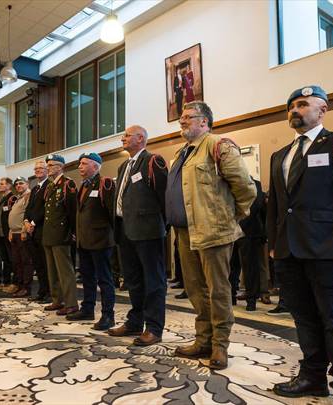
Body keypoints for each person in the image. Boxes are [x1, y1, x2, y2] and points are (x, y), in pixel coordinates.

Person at [267, 86, 333, 405]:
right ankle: (313, 377)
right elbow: (276, 206)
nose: (294, 111)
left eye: (302, 104)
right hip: (289, 250)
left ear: (322, 110)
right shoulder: (280, 154)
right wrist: (273, 243)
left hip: (327, 248)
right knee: (305, 318)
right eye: (290, 107)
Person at [166, 101, 256, 370]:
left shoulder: (219, 146)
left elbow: (246, 188)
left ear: (204, 121)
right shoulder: (183, 152)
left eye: (188, 117)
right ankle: (203, 340)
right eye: (181, 118)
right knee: (196, 290)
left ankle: (220, 346)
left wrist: (228, 217)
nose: (182, 121)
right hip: (185, 233)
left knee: (218, 291)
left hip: (213, 231)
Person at [107, 125, 169, 345]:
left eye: (127, 135)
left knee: (153, 281)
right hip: (126, 229)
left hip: (148, 231)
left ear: (140, 138)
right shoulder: (124, 165)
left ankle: (154, 328)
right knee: (133, 280)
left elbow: (164, 197)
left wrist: (162, 227)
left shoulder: (153, 161)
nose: (122, 138)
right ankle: (135, 322)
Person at [70, 152, 116, 330]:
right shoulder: (84, 185)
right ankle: (87, 309)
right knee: (88, 277)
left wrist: (114, 238)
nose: (79, 167)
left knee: (104, 280)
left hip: (100, 240)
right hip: (84, 240)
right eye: (80, 163)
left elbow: (112, 213)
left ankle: (108, 315)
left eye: (84, 163)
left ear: (95, 166)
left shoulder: (105, 183)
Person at [41, 154, 79, 316]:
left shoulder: (68, 184)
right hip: (49, 233)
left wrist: (73, 232)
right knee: (52, 271)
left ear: (61, 167)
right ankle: (57, 300)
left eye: (51, 165)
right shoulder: (51, 185)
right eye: (47, 165)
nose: (48, 168)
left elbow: (73, 211)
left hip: (62, 234)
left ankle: (71, 303)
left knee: (65, 271)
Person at [230, 176, 266, 311]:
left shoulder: (256, 184)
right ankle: (231, 296)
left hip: (249, 231)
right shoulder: (226, 183)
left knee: (250, 267)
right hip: (231, 230)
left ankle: (251, 299)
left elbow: (257, 206)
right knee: (231, 265)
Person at [23, 161, 52, 303]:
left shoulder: (50, 186)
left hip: (42, 229)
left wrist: (33, 223)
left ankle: (49, 293)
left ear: (47, 170)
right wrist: (26, 221)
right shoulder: (35, 188)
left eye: (41, 168)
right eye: (36, 168)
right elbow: (29, 208)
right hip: (32, 231)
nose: (38, 170)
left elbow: (45, 208)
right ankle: (41, 291)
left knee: (46, 264)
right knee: (38, 264)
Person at [7, 177, 33, 298]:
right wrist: (11, 230)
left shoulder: (29, 196)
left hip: (22, 233)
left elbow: (28, 214)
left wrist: (23, 230)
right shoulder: (19, 198)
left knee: (25, 261)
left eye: (21, 183)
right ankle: (20, 285)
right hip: (15, 233)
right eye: (16, 184)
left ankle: (26, 288)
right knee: (17, 261)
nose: (18, 185)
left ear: (27, 184)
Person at [0, 177, 16, 292]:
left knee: (11, 258)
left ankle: (12, 282)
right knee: (5, 259)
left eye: (2, 184)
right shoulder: (2, 199)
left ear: (8, 186)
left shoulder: (12, 198)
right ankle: (6, 281)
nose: (0, 185)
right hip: (0, 233)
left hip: (8, 233)